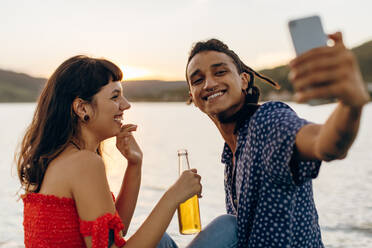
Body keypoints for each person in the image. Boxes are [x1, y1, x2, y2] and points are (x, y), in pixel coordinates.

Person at [16, 55, 238, 248]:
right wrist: (173, 197)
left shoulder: (62, 158)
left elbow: (113, 235)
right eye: (115, 97)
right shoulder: (84, 163)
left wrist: (134, 164)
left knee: (160, 241)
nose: (126, 105)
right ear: (82, 108)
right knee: (228, 227)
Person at [185, 32, 370, 248]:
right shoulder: (230, 153)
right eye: (198, 80)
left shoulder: (268, 122)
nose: (209, 84)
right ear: (192, 96)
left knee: (226, 226)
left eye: (220, 72)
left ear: (244, 80)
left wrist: (350, 104)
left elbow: (326, 144)